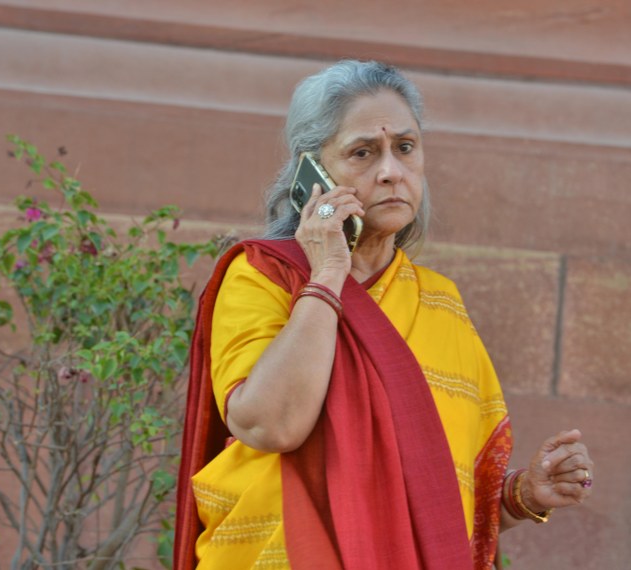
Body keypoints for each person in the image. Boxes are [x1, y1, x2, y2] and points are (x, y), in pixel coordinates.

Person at [174, 59, 594, 570]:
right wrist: (328, 274)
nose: (391, 170)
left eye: (405, 147)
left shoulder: (439, 303)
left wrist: (524, 494)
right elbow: (270, 427)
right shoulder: (263, 275)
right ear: (313, 173)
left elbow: (442, 503)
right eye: (363, 152)